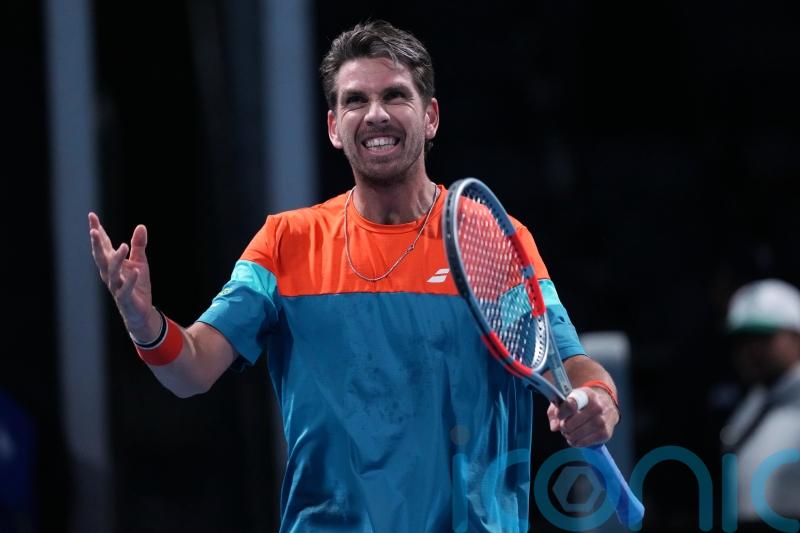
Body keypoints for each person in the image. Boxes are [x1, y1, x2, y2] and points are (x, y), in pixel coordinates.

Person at [89, 20, 621, 532]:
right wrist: (144, 322)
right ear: (333, 128)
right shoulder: (285, 242)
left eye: (394, 96)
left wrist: (597, 397)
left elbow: (567, 361)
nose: (375, 115)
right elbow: (193, 370)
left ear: (430, 116)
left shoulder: (494, 239)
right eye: (354, 101)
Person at [720, 278, 800, 527]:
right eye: (742, 340)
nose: (751, 350)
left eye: (763, 337)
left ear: (795, 335)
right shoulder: (752, 402)